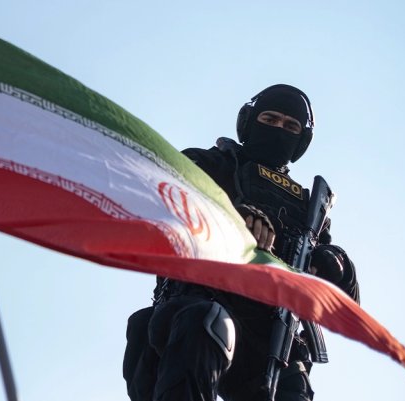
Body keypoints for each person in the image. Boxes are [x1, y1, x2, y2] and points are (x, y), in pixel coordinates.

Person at [123, 85, 360, 401]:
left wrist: (337, 264)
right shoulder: (208, 162)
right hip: (199, 308)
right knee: (206, 322)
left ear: (301, 141)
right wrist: (229, 216)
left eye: (291, 126)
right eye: (270, 118)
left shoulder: (309, 209)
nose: (279, 130)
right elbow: (163, 197)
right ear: (248, 122)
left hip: (273, 336)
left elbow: (348, 307)